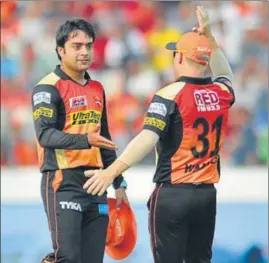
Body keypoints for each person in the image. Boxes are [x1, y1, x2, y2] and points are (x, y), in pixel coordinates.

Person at [83, 6, 235, 263]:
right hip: (207, 195)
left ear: (179, 58)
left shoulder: (169, 94)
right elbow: (226, 74)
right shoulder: (221, 92)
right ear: (205, 60)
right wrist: (209, 38)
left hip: (172, 194)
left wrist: (111, 171)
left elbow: (147, 138)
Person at [31, 19, 129, 263]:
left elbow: (104, 138)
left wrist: (118, 182)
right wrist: (85, 139)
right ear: (60, 50)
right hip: (62, 181)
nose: (84, 52)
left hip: (96, 182)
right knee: (68, 258)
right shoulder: (47, 88)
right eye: (77, 46)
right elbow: (45, 135)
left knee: (92, 260)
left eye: (88, 46)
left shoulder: (97, 87)